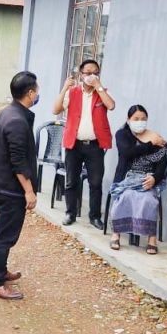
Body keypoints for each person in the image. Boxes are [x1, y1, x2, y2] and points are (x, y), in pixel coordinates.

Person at [0, 71, 39, 300]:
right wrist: (28, 191)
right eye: (37, 90)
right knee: (5, 235)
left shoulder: (6, 113)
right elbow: (18, 161)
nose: (38, 94)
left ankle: (0, 270)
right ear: (31, 93)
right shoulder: (16, 120)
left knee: (1, 230)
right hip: (10, 188)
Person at [53, 59, 116, 230]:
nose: (91, 76)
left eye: (95, 72)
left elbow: (111, 106)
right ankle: (70, 213)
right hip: (74, 144)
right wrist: (65, 87)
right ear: (81, 75)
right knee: (71, 181)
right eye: (88, 73)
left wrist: (99, 86)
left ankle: (95, 217)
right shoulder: (72, 92)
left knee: (95, 182)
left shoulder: (102, 93)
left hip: (95, 146)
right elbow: (55, 110)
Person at [108, 105, 167, 254]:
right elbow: (127, 153)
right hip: (126, 178)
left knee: (149, 200)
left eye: (143, 119)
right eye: (136, 119)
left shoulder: (154, 136)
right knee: (125, 196)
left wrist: (155, 178)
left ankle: (152, 239)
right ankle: (116, 233)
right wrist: (150, 143)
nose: (140, 122)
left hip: (147, 181)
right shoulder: (122, 134)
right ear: (128, 120)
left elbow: (162, 163)